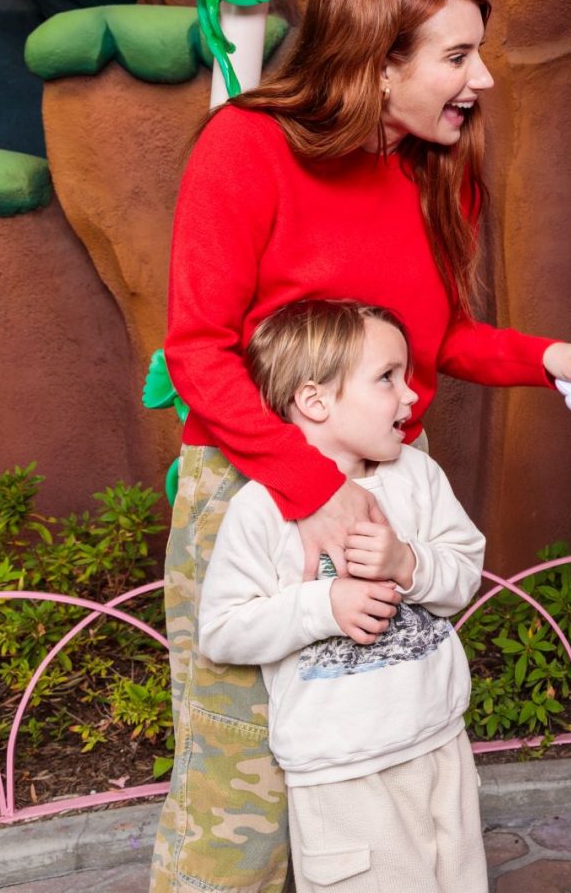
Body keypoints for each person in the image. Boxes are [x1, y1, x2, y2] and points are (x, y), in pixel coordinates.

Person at [152, 0, 571, 893]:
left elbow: (437, 338)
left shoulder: (436, 167)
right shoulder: (247, 146)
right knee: (238, 794)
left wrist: (550, 357)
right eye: (457, 56)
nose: (481, 78)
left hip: (383, 482)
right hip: (255, 488)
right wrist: (313, 490)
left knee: (378, 777)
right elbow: (198, 350)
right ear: (378, 62)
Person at [198, 300, 485, 892]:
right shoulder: (260, 509)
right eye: (387, 378)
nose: (410, 395)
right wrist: (321, 606)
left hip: (440, 743)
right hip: (342, 774)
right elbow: (222, 630)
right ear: (315, 400)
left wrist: (408, 562)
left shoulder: (419, 476)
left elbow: (464, 573)